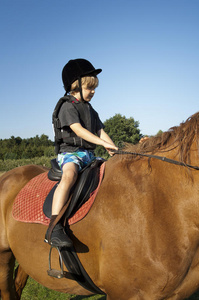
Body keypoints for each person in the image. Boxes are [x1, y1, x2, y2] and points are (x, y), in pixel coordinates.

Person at [45, 58, 118, 248]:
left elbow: (101, 131)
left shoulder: (90, 109)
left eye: (94, 88)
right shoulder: (67, 107)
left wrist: (116, 152)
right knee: (69, 176)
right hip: (70, 154)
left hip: (88, 155)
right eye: (89, 88)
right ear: (75, 85)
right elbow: (78, 130)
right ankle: (54, 227)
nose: (93, 91)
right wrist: (102, 143)